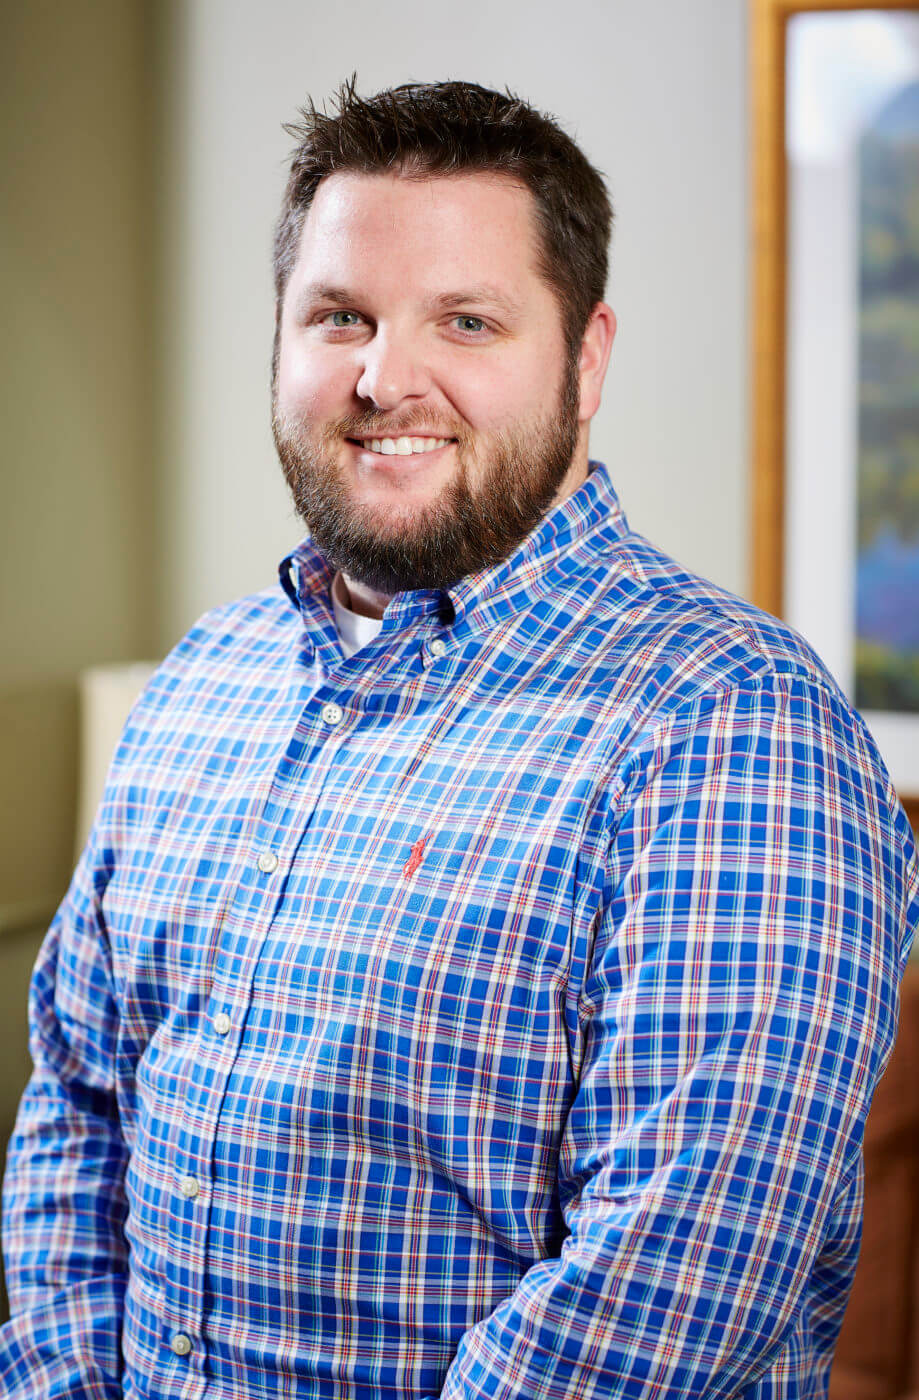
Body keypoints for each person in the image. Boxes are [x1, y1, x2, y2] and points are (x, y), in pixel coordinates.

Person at [1, 74, 917, 1400]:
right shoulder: (203, 679)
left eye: (467, 321)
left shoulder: (733, 723)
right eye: (340, 316)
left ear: (585, 359)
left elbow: (671, 1291)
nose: (385, 379)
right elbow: (75, 1110)